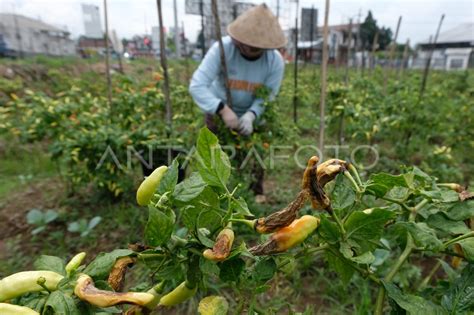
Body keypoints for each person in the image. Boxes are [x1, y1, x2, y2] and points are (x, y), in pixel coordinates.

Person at [189, 3, 286, 201]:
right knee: (214, 156)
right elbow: (197, 85)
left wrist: (252, 115)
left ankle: (254, 193)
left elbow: (267, 97)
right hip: (219, 110)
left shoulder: (275, 61)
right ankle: (214, 195)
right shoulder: (223, 49)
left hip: (253, 115)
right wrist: (222, 109)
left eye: (258, 47)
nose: (252, 49)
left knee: (255, 153)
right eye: (248, 45)